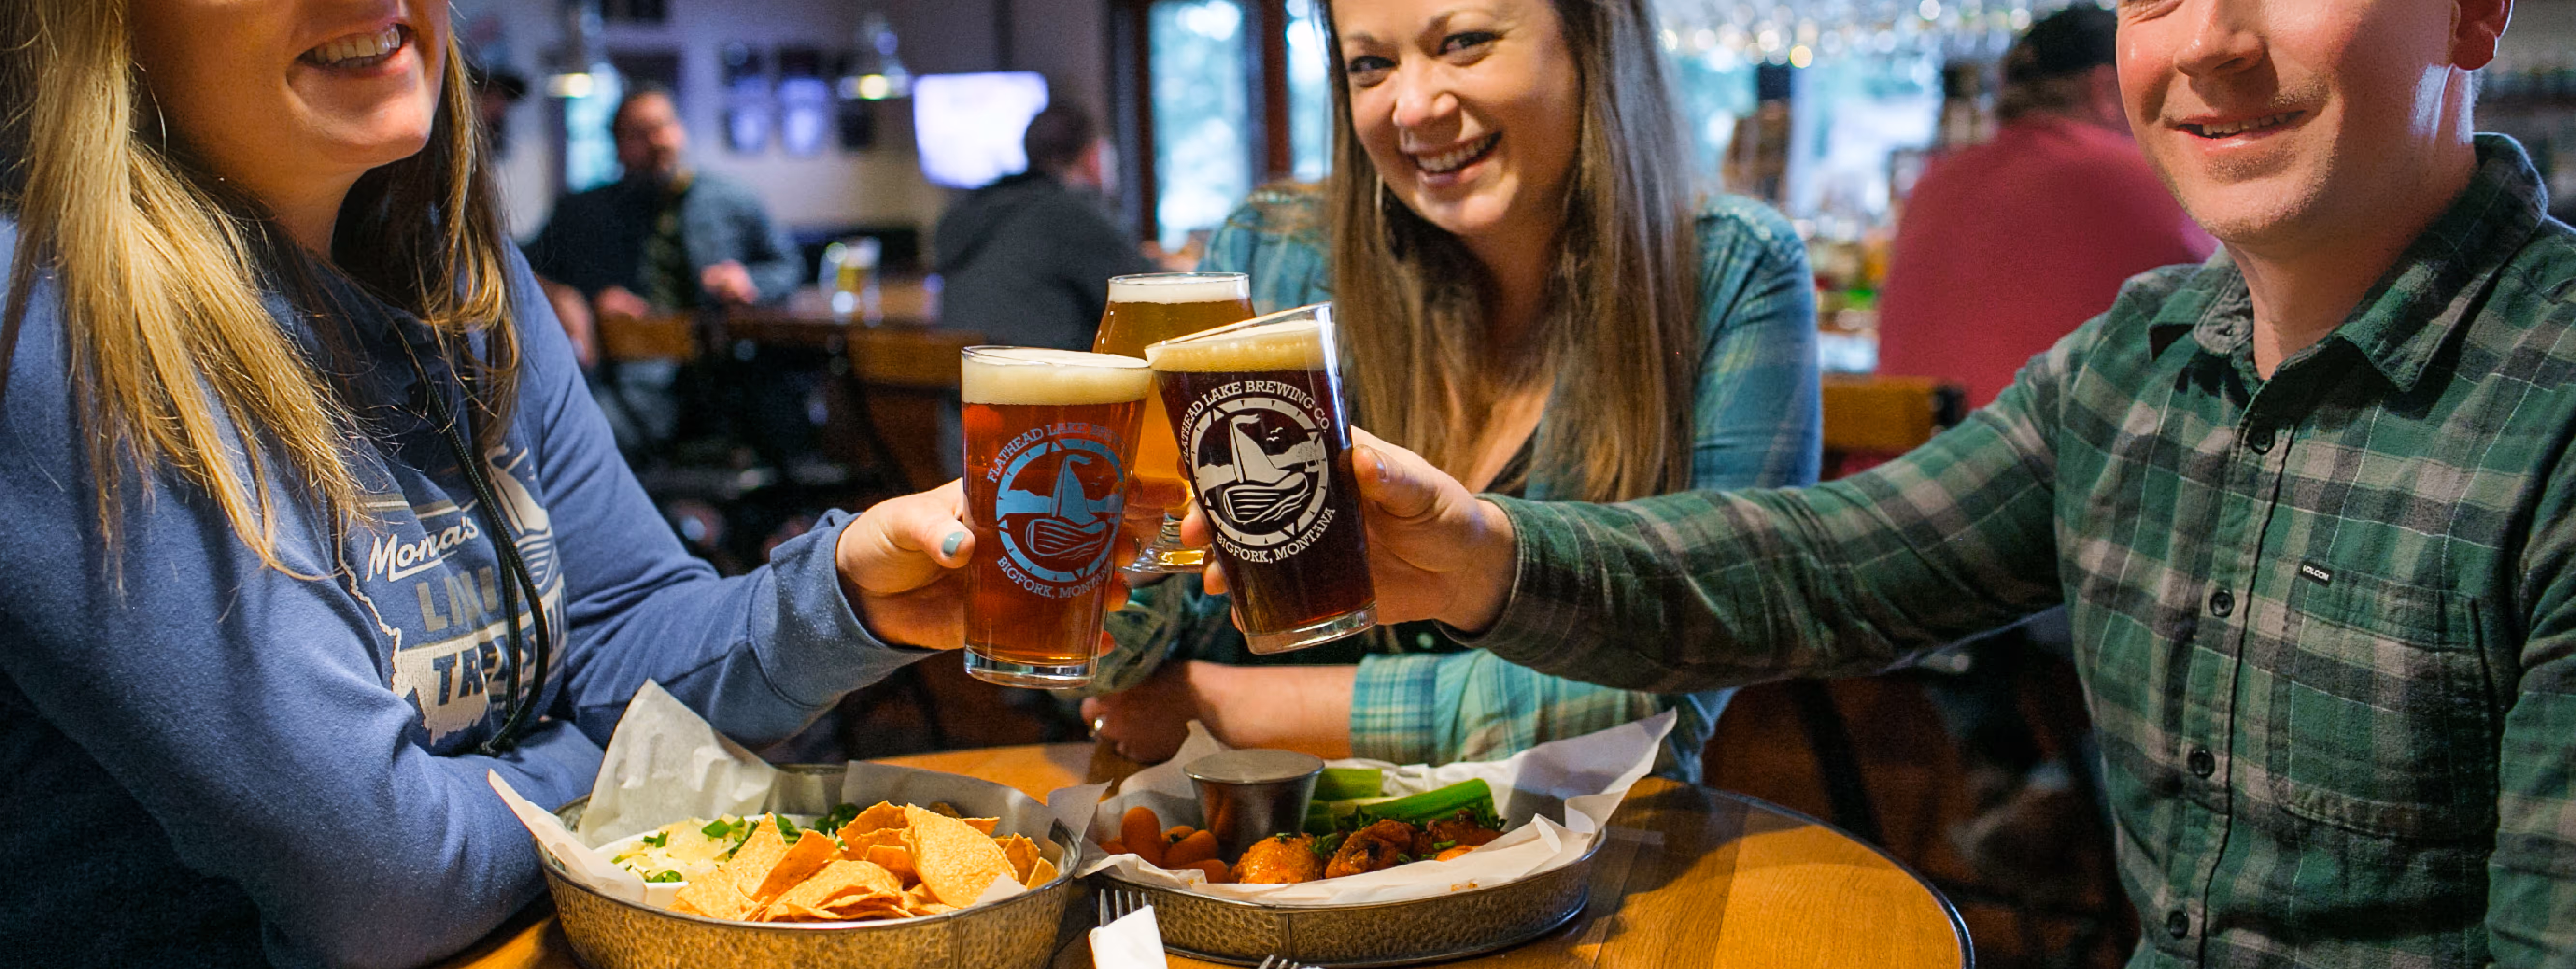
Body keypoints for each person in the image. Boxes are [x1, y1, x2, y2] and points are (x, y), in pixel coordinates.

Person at [1303, 0, 2563, 962]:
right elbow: (1819, 566)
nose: (2209, 45)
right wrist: (1488, 555)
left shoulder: (2547, 413)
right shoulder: (2137, 361)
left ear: (2471, 11)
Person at [0, 3, 980, 965]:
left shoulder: (463, 272)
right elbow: (381, 873)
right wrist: (641, 771)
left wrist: (843, 595)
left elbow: (625, 623)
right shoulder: (44, 310)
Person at [1079, 0, 1821, 782]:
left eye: (1462, 43)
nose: (1413, 106)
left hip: (1600, 865)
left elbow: (1662, 688)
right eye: (1369, 65)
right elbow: (1138, 660)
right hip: (1277, 850)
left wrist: (1228, 708)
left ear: (1591, 43)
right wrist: (1106, 560)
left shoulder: (1732, 272)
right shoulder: (1275, 253)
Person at [1875, 3, 2213, 409]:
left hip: (1903, 457)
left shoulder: (1935, 183)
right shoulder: (2148, 181)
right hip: (2046, 464)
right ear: (2106, 89)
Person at [932, 101, 1161, 350]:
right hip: (1042, 381)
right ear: (1092, 157)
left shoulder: (975, 210)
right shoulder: (1066, 213)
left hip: (968, 380)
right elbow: (1150, 296)